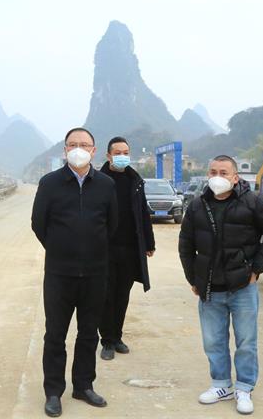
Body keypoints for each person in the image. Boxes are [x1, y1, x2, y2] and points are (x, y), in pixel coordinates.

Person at [179, 155, 263, 415]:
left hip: (242, 286)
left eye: (224, 172)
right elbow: (186, 244)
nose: (218, 177)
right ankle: (221, 385)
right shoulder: (198, 205)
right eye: (213, 171)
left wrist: (258, 268)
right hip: (210, 288)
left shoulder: (253, 201)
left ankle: (244, 388)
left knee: (246, 341)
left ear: (235, 177)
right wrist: (193, 278)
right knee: (213, 341)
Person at [31, 127, 118, 418]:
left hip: (95, 273)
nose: (78, 149)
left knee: (88, 333)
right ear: (65, 150)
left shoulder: (105, 184)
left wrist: (92, 250)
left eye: (84, 144)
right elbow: (38, 223)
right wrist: (60, 248)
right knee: (55, 334)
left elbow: (112, 225)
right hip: (59, 273)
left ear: (94, 151)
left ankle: (83, 386)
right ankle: (53, 391)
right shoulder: (50, 183)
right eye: (72, 144)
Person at [98, 136, 155, 361]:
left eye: (125, 152)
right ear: (108, 155)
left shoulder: (135, 180)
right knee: (106, 295)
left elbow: (143, 212)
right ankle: (107, 340)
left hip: (130, 248)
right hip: (105, 249)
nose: (122, 156)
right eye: (117, 153)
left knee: (122, 295)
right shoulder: (99, 180)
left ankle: (117, 337)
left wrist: (149, 243)